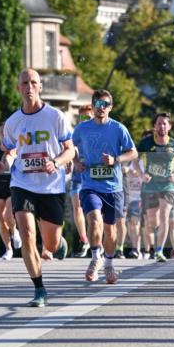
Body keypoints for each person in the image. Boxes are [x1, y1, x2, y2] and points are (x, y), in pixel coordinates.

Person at [0, 68, 72, 307]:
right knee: (27, 234)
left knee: (50, 244)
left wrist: (56, 162)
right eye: (24, 83)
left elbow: (70, 150)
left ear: (40, 87)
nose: (29, 87)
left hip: (51, 186)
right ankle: (39, 289)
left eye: (33, 82)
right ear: (18, 88)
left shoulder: (55, 116)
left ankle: (58, 243)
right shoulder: (12, 122)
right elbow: (10, 150)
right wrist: (6, 162)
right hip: (22, 183)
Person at [71, 88, 138, 285]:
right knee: (94, 219)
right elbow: (69, 147)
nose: (101, 108)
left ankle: (108, 263)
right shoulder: (82, 129)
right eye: (98, 104)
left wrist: (115, 160)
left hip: (113, 187)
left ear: (111, 107)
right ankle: (95, 258)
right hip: (90, 185)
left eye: (105, 104)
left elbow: (133, 153)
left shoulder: (118, 128)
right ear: (92, 106)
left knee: (110, 229)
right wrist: (76, 161)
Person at [138, 113, 174, 262]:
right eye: (159, 123)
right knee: (153, 221)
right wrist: (141, 174)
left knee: (165, 215)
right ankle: (157, 242)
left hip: (168, 185)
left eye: (165, 123)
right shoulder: (145, 143)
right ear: (155, 126)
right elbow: (134, 160)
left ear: (169, 127)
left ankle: (159, 251)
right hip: (150, 186)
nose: (162, 126)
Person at [0, 124, 22, 261]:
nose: (4, 135)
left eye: (6, 132)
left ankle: (14, 231)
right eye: (1, 132)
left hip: (11, 185)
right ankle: (8, 249)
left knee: (8, 216)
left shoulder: (15, 148)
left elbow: (15, 163)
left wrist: (6, 163)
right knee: (1, 220)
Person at [69, 104, 93, 258]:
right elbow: (69, 149)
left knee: (93, 210)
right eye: (81, 117)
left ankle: (95, 240)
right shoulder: (77, 131)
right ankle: (84, 239)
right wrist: (74, 162)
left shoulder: (99, 132)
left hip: (93, 175)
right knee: (76, 206)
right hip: (78, 174)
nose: (84, 120)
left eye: (87, 117)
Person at [122, 160, 145, 258]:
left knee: (134, 223)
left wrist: (132, 172)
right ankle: (133, 247)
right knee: (128, 226)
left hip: (138, 198)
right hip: (125, 198)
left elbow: (143, 176)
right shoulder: (125, 162)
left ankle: (136, 249)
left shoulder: (142, 163)